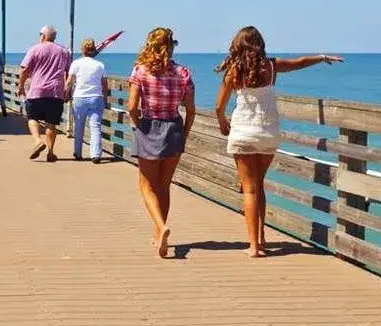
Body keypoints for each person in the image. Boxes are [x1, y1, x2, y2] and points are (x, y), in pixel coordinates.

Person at [214, 26, 343, 258]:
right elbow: (299, 63)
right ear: (259, 44)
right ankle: (261, 238)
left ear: (238, 45)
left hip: (243, 133)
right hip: (268, 133)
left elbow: (218, 106)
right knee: (259, 184)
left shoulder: (234, 70)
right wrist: (322, 57)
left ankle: (253, 246)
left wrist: (223, 123)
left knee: (250, 189)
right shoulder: (272, 66)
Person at [128, 27, 196, 258]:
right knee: (164, 185)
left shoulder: (140, 71)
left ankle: (161, 227)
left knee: (147, 185)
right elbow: (191, 109)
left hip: (149, 125)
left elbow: (131, 106)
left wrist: (139, 125)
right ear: (171, 46)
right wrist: (184, 133)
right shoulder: (183, 73)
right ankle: (159, 235)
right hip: (174, 127)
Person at [17, 25, 71, 162]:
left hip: (37, 91)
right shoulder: (64, 51)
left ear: (44, 35)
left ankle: (37, 141)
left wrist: (21, 86)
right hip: (56, 92)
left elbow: (24, 70)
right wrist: (67, 91)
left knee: (32, 118)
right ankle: (50, 152)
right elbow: (69, 73)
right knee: (51, 124)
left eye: (40, 34)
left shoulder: (35, 49)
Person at [65, 38, 108, 163]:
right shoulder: (100, 65)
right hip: (96, 97)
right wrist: (105, 99)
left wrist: (66, 95)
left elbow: (69, 82)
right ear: (94, 49)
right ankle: (95, 154)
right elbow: (104, 84)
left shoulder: (76, 63)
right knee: (95, 127)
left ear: (82, 50)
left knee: (78, 126)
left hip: (79, 97)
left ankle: (78, 153)